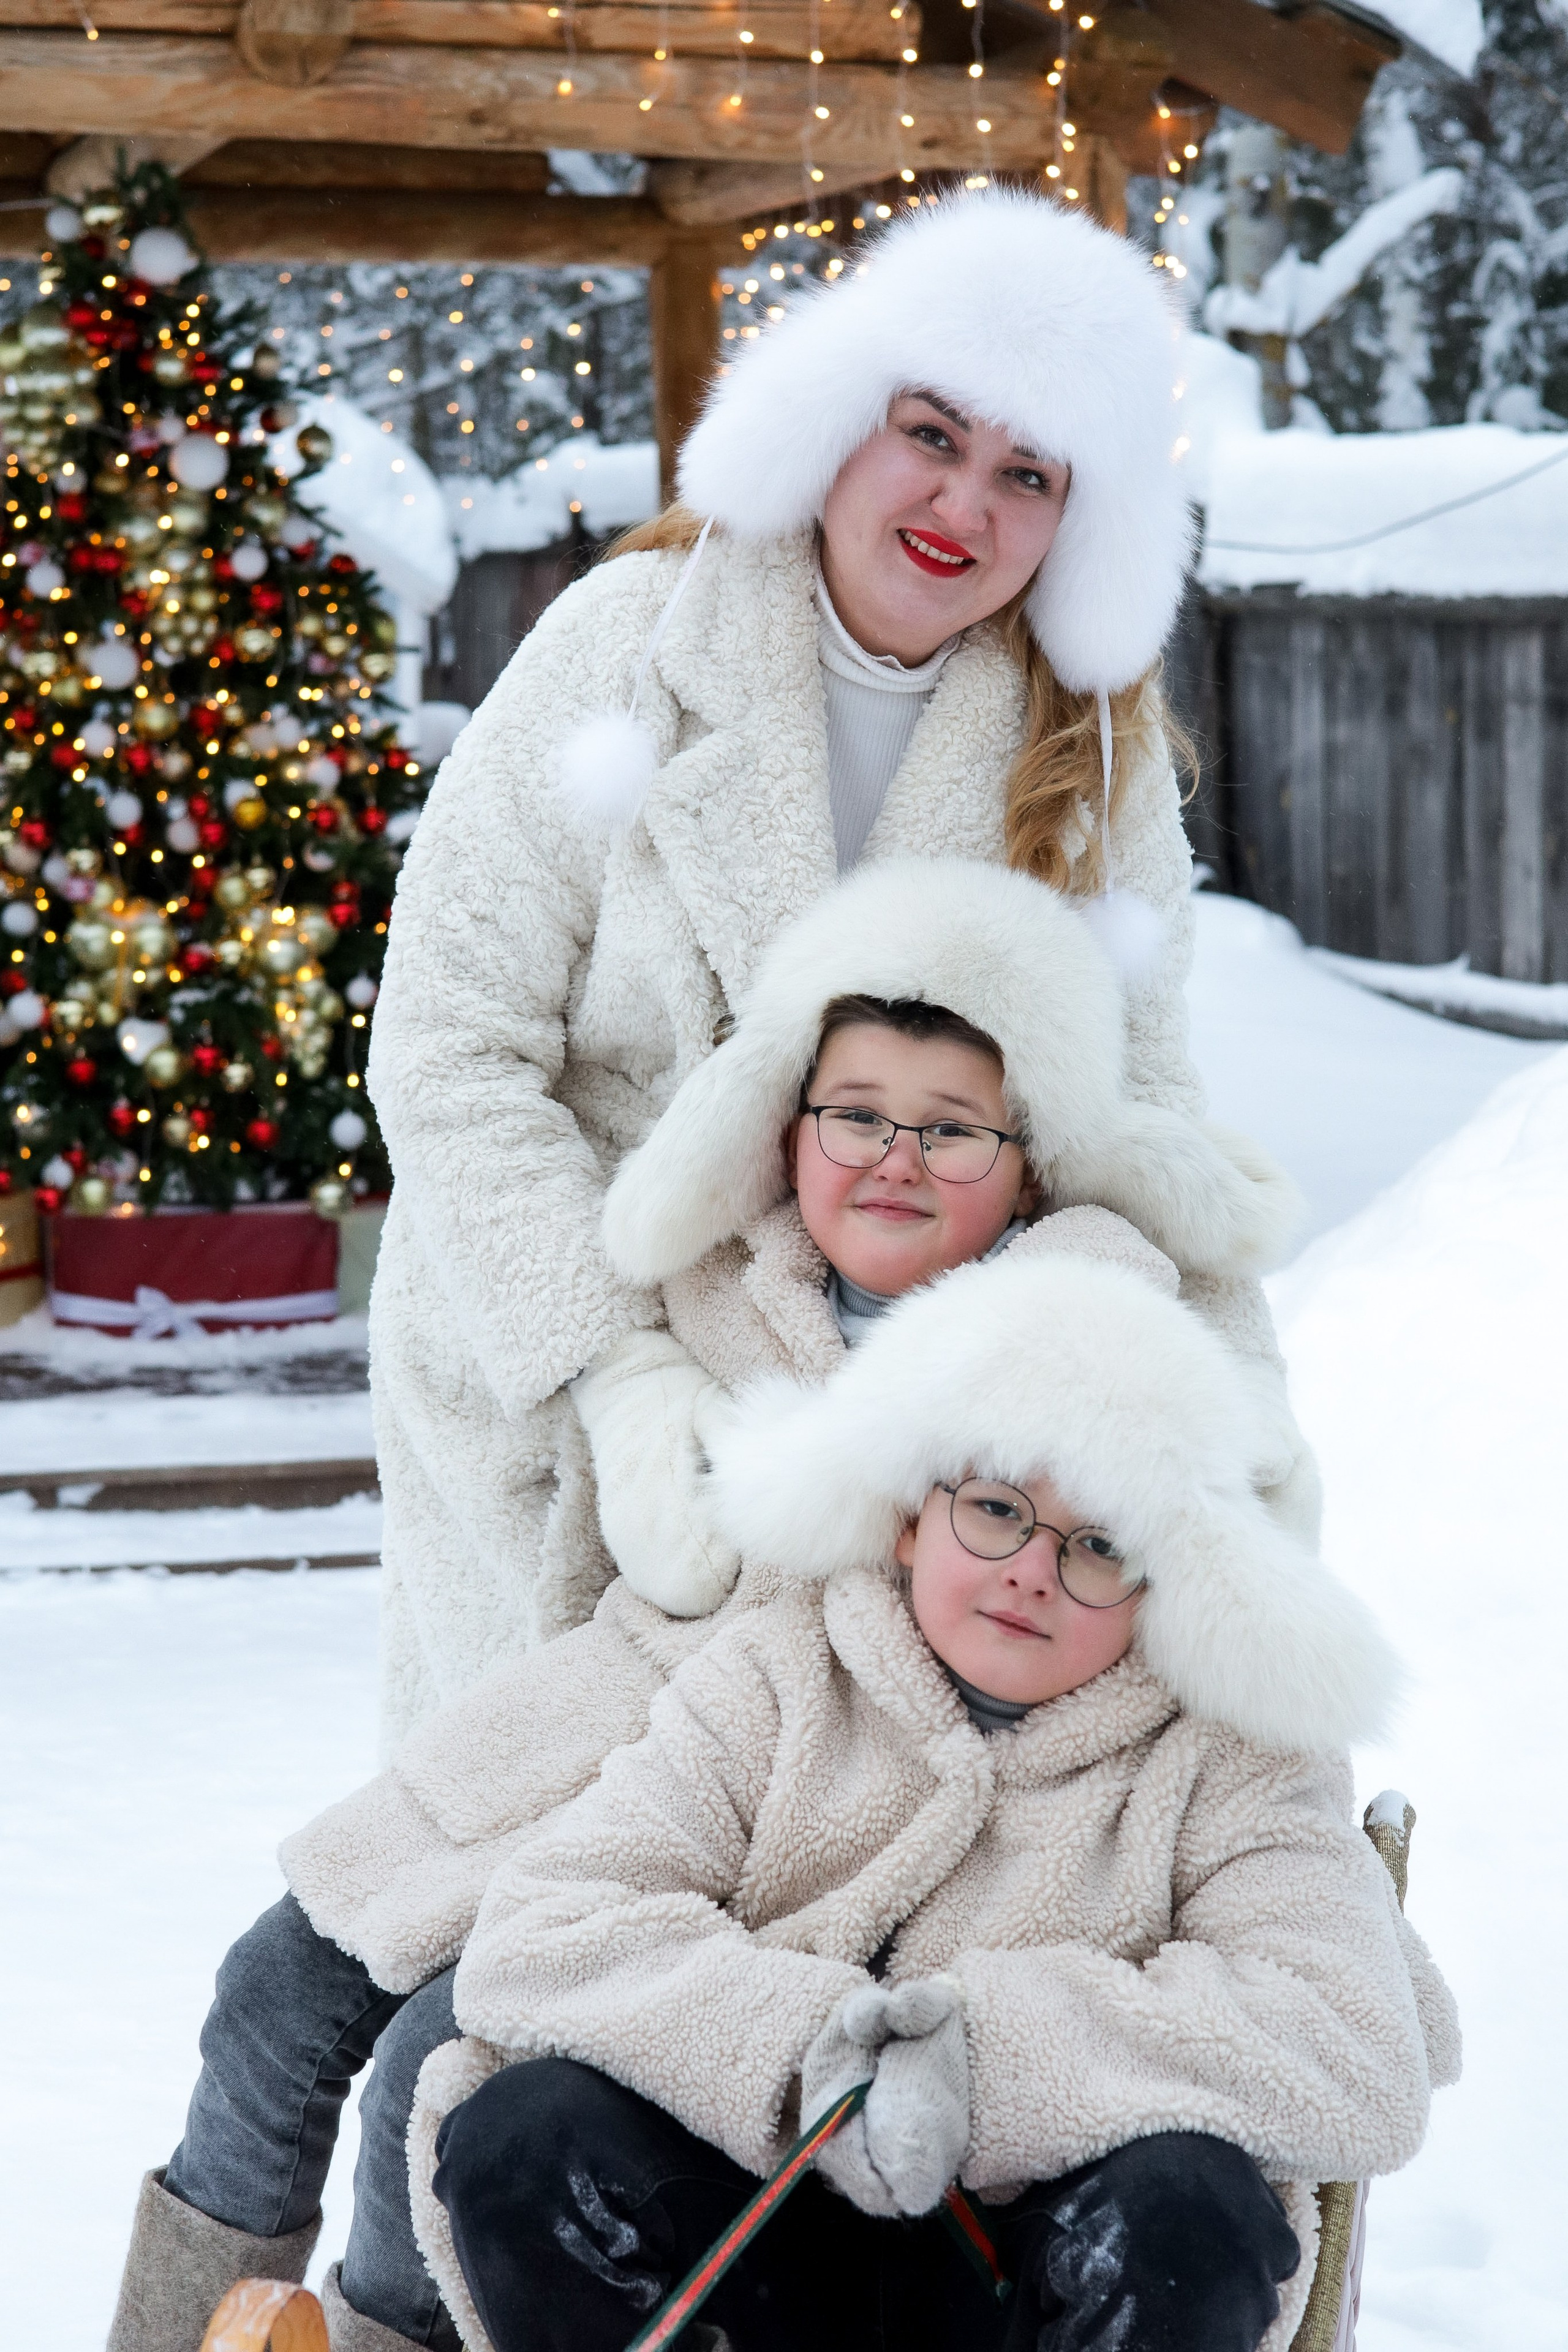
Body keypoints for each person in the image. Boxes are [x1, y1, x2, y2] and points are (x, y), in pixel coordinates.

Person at [106, 861, 1298, 2352]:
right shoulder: (736, 1273)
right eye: (854, 1117)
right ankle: (168, 2335)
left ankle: (383, 2335)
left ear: (1033, 1153)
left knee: (441, 2053)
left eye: (950, 1132)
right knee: (274, 1990)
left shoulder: (1080, 1325)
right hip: (626, 1708)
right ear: (788, 1122)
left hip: (814, 1768)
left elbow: (1190, 1540)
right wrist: (635, 1400)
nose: (894, 1161)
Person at [364, 186, 1313, 1740]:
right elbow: (450, 1048)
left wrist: (1235, 1417)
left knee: (838, 1861)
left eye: (1028, 473)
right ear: (840, 419)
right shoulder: (626, 648)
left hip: (901, 1390)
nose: (966, 505)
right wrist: (615, 1376)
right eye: (932, 435)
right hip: (575, 1328)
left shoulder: (1087, 750)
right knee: (526, 1861)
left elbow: (1132, 1110)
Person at [418, 1254, 1459, 2352]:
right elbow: (542, 1935)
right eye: (999, 1508)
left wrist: (985, 2060)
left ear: (1164, 1581)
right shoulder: (777, 1676)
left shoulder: (1237, 1757)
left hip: (1035, 2273)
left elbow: (1354, 2049)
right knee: (525, 2135)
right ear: (915, 1516)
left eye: (1101, 1543)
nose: (1032, 1572)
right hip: (754, 2250)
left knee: (1188, 2205)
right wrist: (808, 2053)